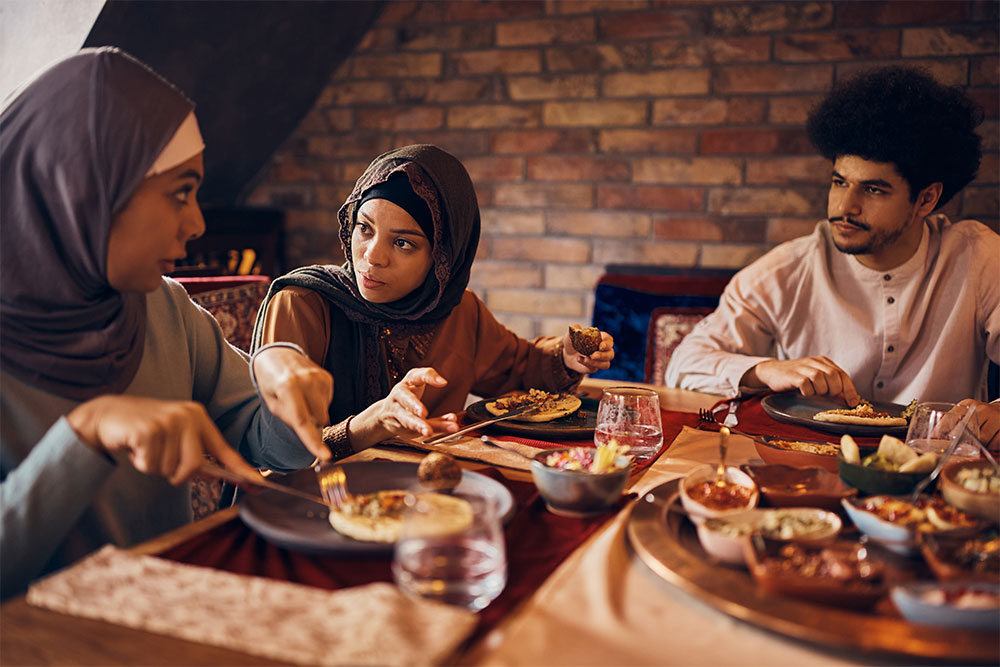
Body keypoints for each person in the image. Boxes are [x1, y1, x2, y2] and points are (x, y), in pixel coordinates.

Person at [0, 48, 338, 597]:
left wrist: (287, 383)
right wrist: (85, 435)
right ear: (84, 190)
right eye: (180, 192)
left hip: (173, 618)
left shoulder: (164, 307)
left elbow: (269, 446)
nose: (199, 222)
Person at [664, 66, 999, 449]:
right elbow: (684, 363)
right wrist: (767, 370)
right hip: (806, 469)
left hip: (933, 474)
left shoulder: (977, 257)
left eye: (873, 189)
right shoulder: (789, 268)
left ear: (926, 199)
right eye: (840, 182)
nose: (845, 206)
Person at [253, 144, 615, 453]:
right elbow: (272, 450)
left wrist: (566, 357)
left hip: (424, 505)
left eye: (403, 243)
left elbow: (518, 371)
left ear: (443, 259)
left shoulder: (457, 311)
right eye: (365, 229)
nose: (371, 256)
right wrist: (371, 424)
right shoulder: (302, 305)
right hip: (312, 508)